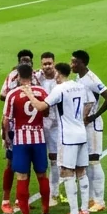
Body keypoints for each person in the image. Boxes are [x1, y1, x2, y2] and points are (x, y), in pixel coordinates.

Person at [2, 63, 52, 214]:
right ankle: (45, 212)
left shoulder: (13, 94)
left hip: (21, 141)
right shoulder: (42, 91)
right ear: (32, 75)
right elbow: (46, 112)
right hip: (38, 139)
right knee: (42, 175)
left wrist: (6, 137)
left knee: (22, 177)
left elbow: (6, 120)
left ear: (17, 76)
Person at [46, 62, 96, 214]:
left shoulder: (59, 89)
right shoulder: (79, 86)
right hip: (81, 133)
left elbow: (42, 106)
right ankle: (85, 209)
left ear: (58, 73)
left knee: (67, 172)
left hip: (67, 137)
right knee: (81, 171)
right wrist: (82, 118)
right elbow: (91, 101)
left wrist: (29, 95)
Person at [72, 49, 107, 212]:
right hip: (84, 125)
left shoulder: (91, 79)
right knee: (88, 162)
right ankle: (91, 198)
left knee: (95, 161)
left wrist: (94, 116)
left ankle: (100, 200)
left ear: (82, 63)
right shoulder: (79, 76)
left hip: (93, 126)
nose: (72, 65)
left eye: (74, 62)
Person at [0, 49, 34, 214]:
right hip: (13, 127)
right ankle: (6, 200)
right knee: (11, 164)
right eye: (23, 60)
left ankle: (21, 199)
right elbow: (2, 95)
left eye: (28, 61)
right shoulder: (12, 76)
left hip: (30, 128)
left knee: (27, 164)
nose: (25, 63)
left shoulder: (36, 76)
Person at [36, 52, 62, 202]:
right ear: (41, 64)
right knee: (40, 158)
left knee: (53, 157)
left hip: (55, 125)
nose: (47, 66)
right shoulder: (36, 77)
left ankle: (54, 191)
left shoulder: (59, 79)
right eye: (44, 64)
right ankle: (47, 190)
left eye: (49, 63)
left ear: (54, 63)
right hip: (39, 124)